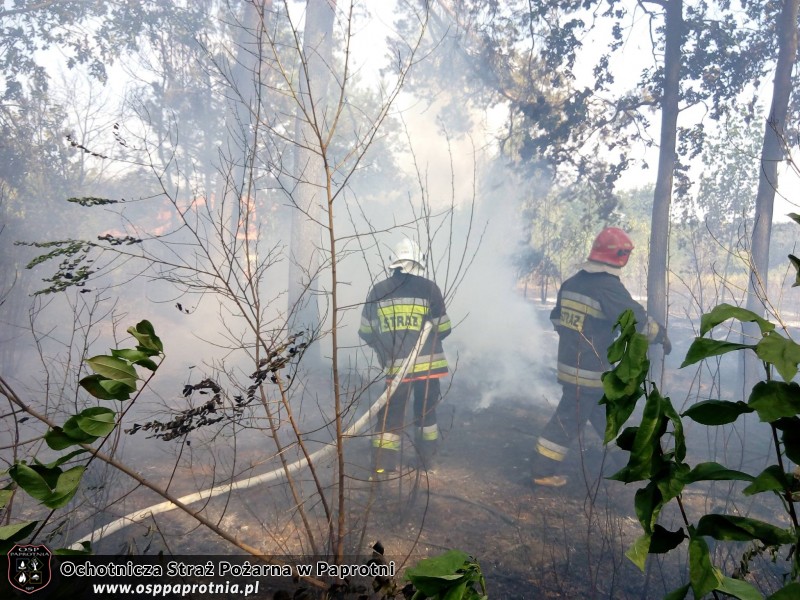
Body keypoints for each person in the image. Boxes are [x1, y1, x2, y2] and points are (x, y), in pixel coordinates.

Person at [532, 227, 671, 487]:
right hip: (590, 372)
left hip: (569, 366)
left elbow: (556, 318)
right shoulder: (608, 287)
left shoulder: (572, 282)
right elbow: (637, 321)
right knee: (567, 422)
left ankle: (632, 465)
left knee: (606, 418)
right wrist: (660, 335)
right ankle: (541, 470)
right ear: (620, 257)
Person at [358, 238, 452, 475]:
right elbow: (444, 328)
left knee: (390, 415)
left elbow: (366, 332)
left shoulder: (378, 291)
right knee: (426, 414)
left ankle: (382, 465)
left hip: (396, 368)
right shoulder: (429, 289)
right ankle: (425, 461)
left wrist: (385, 351)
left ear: (394, 263)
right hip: (429, 367)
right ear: (418, 262)